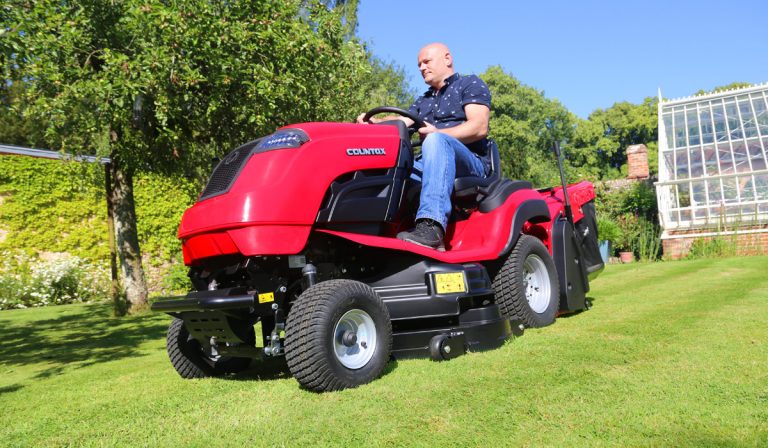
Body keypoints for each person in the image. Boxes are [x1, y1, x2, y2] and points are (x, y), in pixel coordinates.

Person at [356, 42, 492, 250]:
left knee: (435, 141)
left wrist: (438, 133)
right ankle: (370, 229)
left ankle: (431, 226)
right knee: (391, 165)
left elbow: (479, 127)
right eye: (419, 64)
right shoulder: (424, 100)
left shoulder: (469, 84)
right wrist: (373, 123)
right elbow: (402, 122)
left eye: (426, 61)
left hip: (470, 162)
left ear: (447, 59)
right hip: (430, 162)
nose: (421, 67)